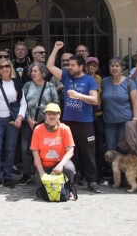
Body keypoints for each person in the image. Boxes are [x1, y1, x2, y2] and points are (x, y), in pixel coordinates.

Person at [47, 42, 101, 193]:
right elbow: (50, 66)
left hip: (85, 122)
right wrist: (56, 49)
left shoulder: (89, 80)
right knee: (70, 152)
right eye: (69, 64)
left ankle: (92, 181)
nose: (69, 67)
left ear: (81, 66)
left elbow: (94, 100)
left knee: (89, 153)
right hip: (68, 122)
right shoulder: (66, 77)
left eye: (72, 65)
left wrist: (79, 96)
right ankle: (72, 178)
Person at [0, 58, 26, 188]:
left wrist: (20, 117)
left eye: (7, 66)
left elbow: (23, 102)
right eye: (1, 67)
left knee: (10, 150)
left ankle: (8, 177)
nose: (4, 69)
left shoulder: (17, 83)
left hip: (12, 121)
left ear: (11, 68)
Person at [19, 61, 60, 186]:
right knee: (26, 149)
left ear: (42, 72)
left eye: (35, 71)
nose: (33, 73)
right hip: (29, 123)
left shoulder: (50, 87)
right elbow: (22, 104)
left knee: (44, 149)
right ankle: (26, 174)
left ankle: (42, 172)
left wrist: (51, 122)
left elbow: (56, 104)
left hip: (45, 124)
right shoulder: (26, 86)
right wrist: (29, 120)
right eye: (32, 71)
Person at [31, 103, 76, 194]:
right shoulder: (38, 129)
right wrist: (41, 172)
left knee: (70, 169)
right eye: (49, 113)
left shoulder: (65, 129)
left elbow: (70, 151)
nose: (51, 116)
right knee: (44, 191)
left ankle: (68, 187)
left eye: (54, 113)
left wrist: (61, 165)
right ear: (45, 115)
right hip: (44, 165)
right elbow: (35, 151)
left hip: (60, 163)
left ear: (59, 115)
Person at [102, 57, 137, 154]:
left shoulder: (129, 82)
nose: (114, 68)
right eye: (112, 66)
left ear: (122, 68)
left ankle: (123, 169)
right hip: (109, 121)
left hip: (125, 121)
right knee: (111, 149)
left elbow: (135, 101)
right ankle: (113, 169)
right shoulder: (104, 82)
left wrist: (135, 118)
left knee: (123, 149)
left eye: (117, 66)